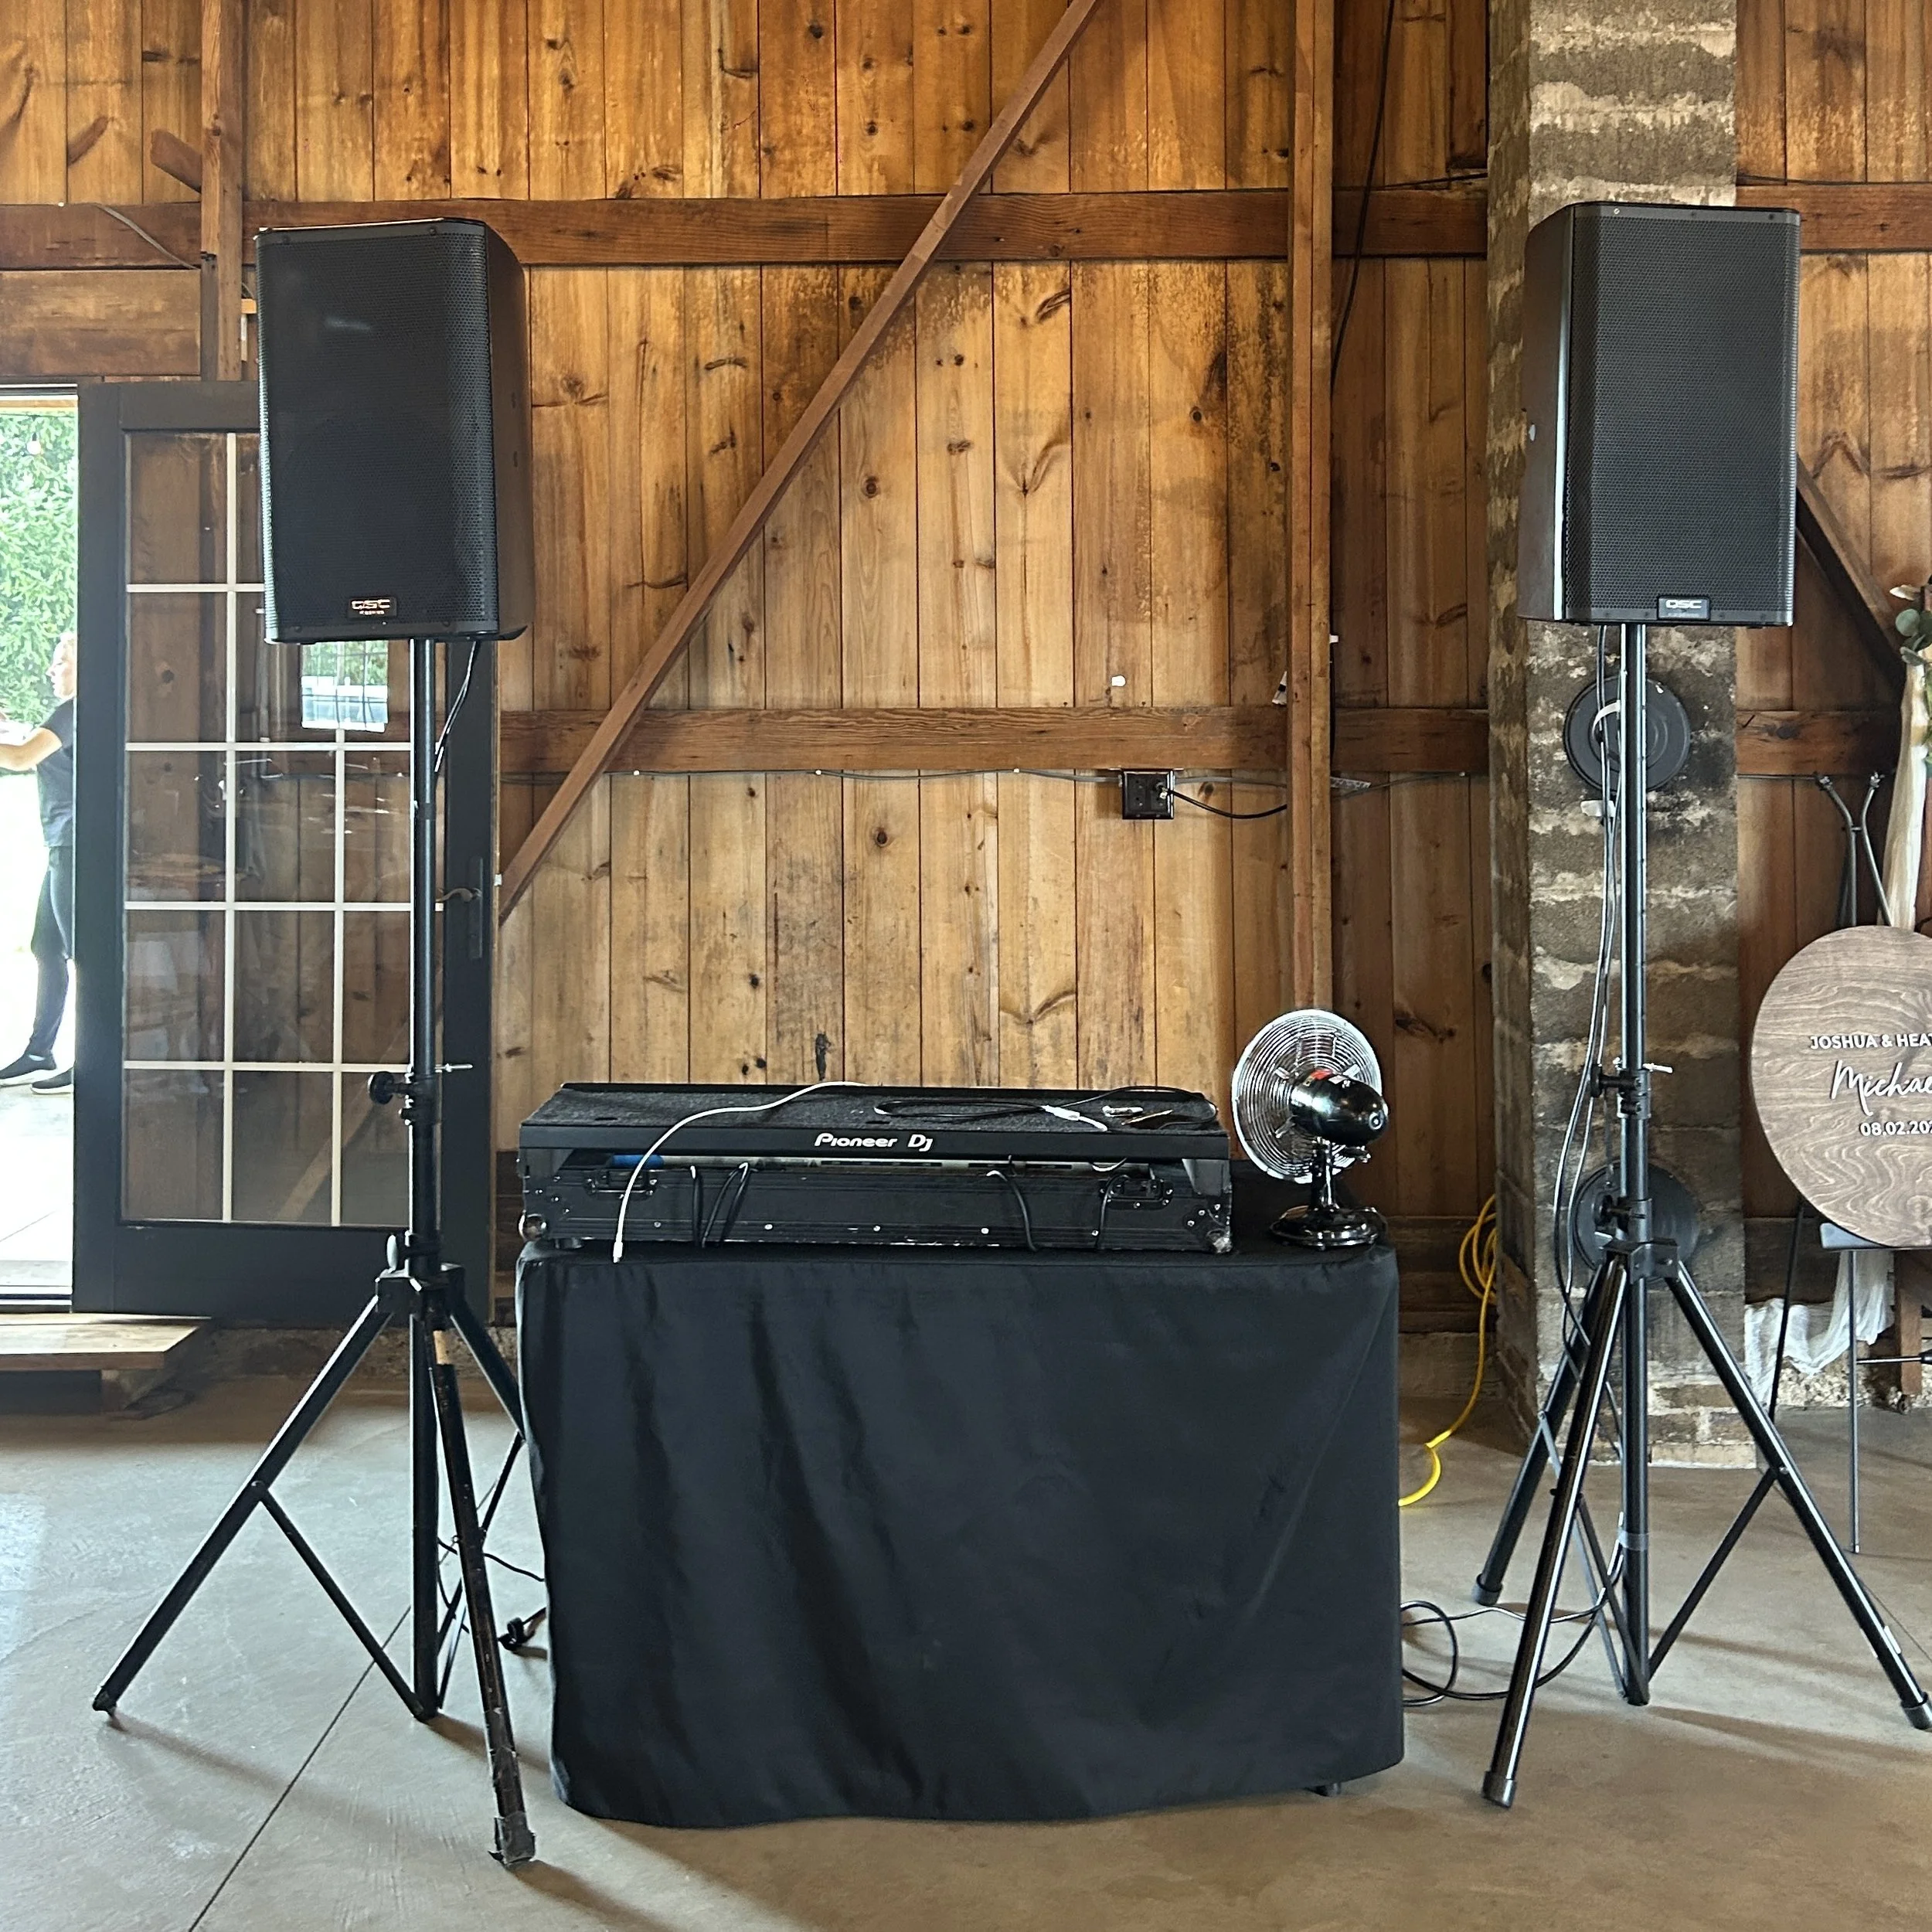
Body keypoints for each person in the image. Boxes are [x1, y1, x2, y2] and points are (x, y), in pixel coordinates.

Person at [0, 629, 77, 1091]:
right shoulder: (65, 714)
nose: (52, 669)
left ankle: (95, 1058)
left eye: (61, 660)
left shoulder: (75, 710)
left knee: (81, 953)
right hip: (61, 843)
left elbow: (25, 757)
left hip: (74, 843)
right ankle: (38, 1051)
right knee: (46, 947)